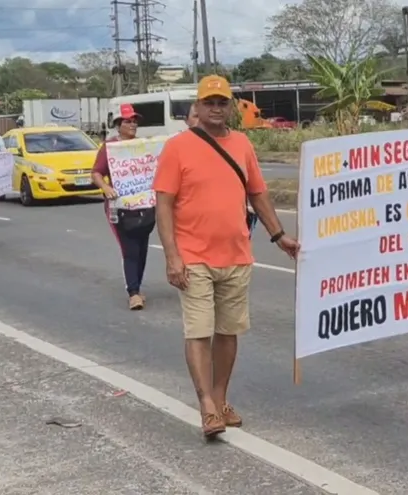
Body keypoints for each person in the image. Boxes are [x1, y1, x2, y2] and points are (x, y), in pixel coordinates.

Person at [154, 74, 300, 437]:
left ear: (230, 106)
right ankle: (206, 406)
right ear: (198, 107)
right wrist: (172, 256)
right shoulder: (178, 148)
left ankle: (219, 399)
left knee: (228, 331)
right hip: (193, 257)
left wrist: (279, 236)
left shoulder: (243, 145)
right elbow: (164, 205)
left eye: (222, 102)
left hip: (236, 254)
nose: (216, 108)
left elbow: (258, 194)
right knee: (199, 331)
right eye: (209, 102)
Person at [91, 103, 154, 310]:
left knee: (142, 248)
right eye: (128, 121)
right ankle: (133, 292)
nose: (132, 124)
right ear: (118, 125)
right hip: (120, 207)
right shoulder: (109, 148)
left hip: (145, 205)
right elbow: (96, 173)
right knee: (130, 249)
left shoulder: (142, 146)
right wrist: (106, 188)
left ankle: (138, 286)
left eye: (135, 121)